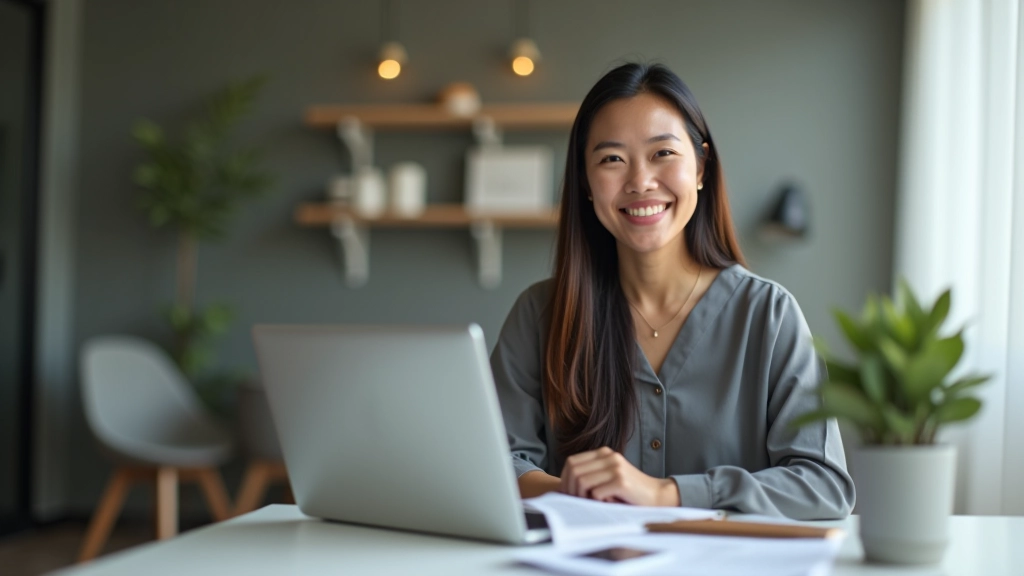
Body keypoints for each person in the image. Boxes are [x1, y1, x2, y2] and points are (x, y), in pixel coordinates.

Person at [490, 63, 855, 520]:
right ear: (585, 182)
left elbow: (823, 485)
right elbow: (494, 463)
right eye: (611, 159)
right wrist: (577, 490)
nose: (640, 181)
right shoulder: (540, 314)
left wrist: (667, 494)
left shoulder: (769, 314)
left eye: (662, 153)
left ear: (701, 167)